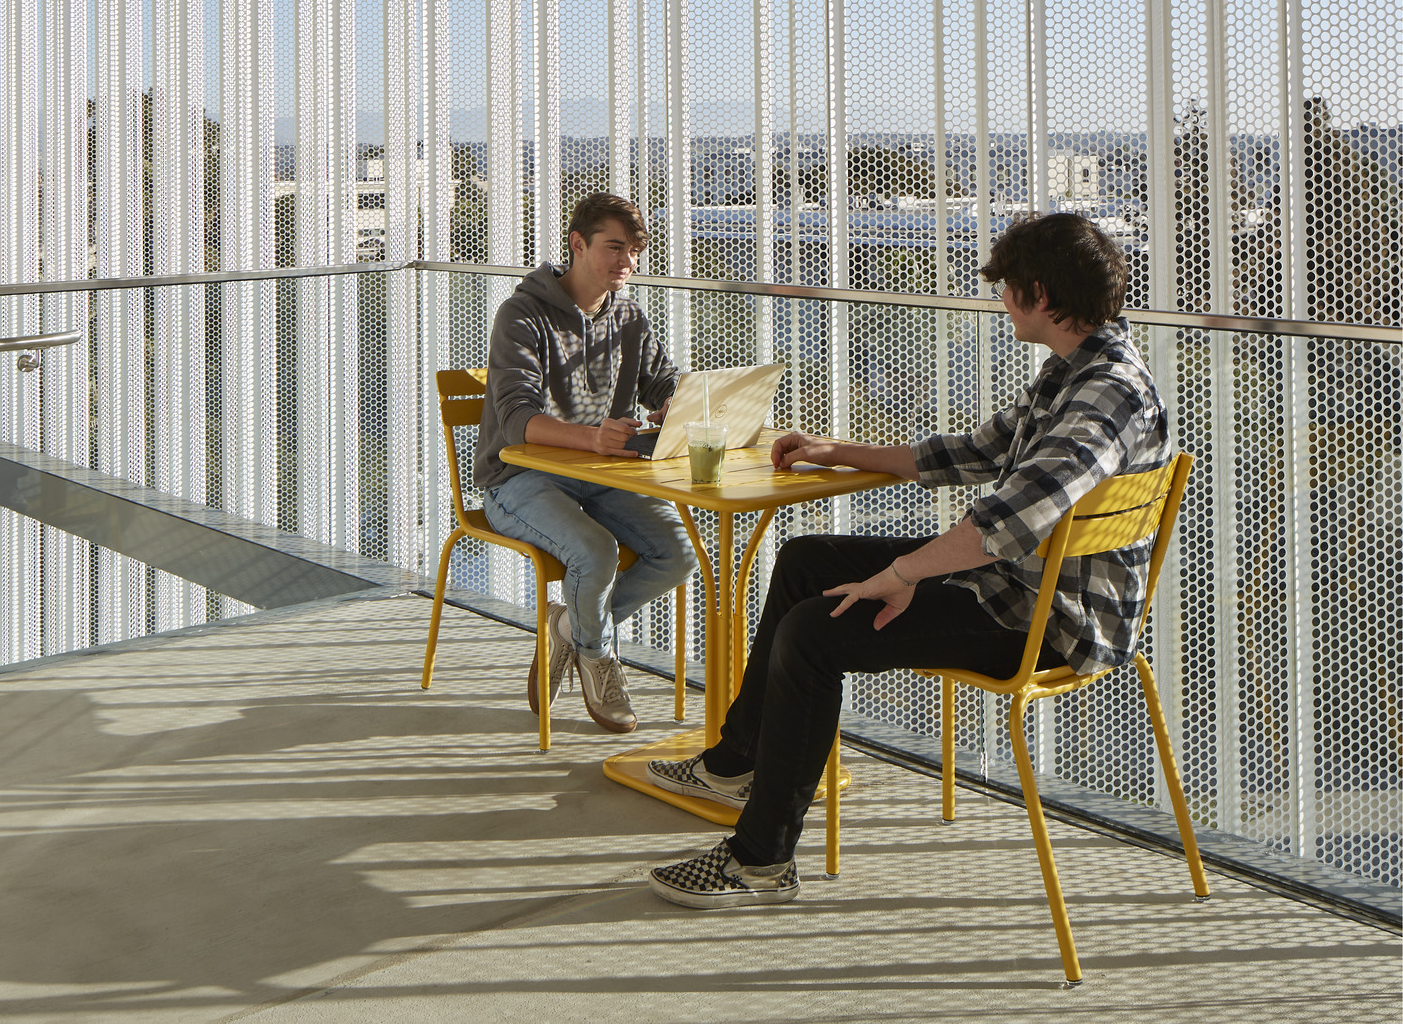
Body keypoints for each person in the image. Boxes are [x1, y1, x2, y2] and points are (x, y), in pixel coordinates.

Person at [644, 211, 1170, 908]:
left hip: (1048, 622)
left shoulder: (1109, 393)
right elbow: (978, 454)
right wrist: (837, 451)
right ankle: (736, 762)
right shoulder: (1072, 371)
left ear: (1039, 294)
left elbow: (1008, 520)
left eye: (1007, 289)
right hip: (1015, 585)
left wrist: (899, 577)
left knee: (812, 633)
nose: (1000, 301)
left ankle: (759, 861)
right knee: (807, 560)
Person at [477, 193, 697, 733]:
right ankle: (598, 656)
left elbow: (661, 381)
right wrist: (593, 440)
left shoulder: (625, 314)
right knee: (595, 551)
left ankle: (571, 632)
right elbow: (517, 422)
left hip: (596, 476)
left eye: (635, 250)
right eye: (614, 247)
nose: (627, 261)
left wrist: (677, 402)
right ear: (578, 244)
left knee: (678, 553)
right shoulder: (522, 314)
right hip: (518, 478)